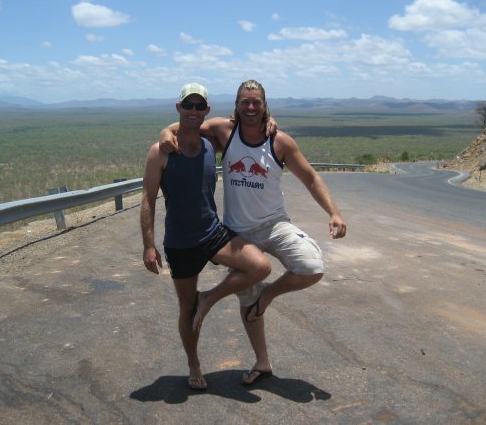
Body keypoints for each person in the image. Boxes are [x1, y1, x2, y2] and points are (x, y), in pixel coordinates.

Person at [160, 79, 347, 386]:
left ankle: (234, 297)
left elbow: (310, 177)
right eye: (244, 101)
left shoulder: (280, 141)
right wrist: (166, 132)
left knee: (312, 266)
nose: (250, 107)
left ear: (264, 105)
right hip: (238, 232)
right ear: (237, 105)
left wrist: (334, 212)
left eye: (256, 102)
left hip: (274, 225)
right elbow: (189, 122)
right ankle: (263, 362)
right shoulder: (225, 131)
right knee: (248, 294)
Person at [140, 82, 271, 391]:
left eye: (200, 106)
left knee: (259, 267)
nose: (194, 111)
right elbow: (148, 198)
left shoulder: (212, 143)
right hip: (181, 243)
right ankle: (194, 364)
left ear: (207, 111)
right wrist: (148, 245)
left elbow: (248, 128)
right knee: (187, 310)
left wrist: (270, 122)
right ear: (179, 108)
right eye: (189, 105)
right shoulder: (161, 150)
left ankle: (208, 298)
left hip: (213, 232)